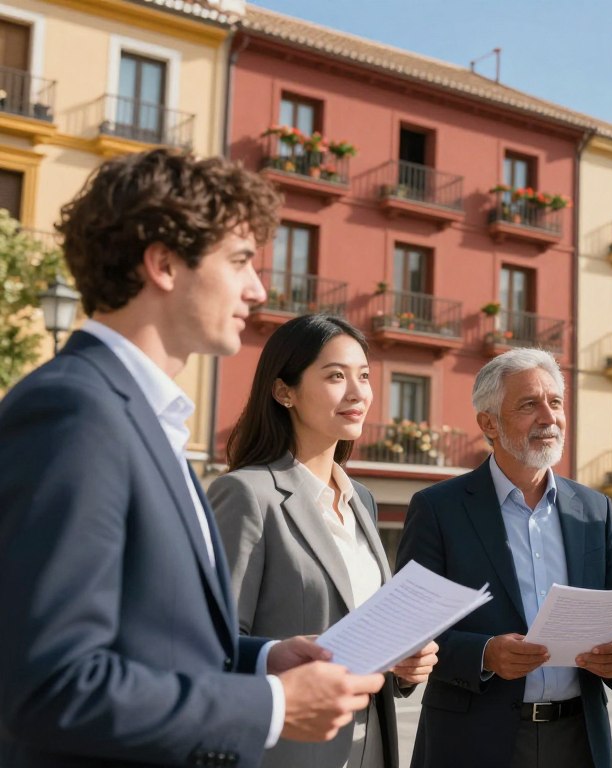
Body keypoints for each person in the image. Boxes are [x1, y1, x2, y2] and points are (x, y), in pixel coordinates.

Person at [0, 149, 384, 767]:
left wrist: (260, 658)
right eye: (238, 262)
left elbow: (156, 646)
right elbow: (49, 685)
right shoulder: (73, 413)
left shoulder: (143, 421)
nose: (257, 289)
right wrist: (272, 706)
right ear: (164, 264)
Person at [208, 314, 439, 768]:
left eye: (365, 376)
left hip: (370, 748)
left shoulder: (362, 501)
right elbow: (212, 642)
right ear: (284, 391)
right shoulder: (246, 494)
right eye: (336, 376)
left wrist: (404, 664)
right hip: (285, 754)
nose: (358, 393)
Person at [395, 348, 612, 768]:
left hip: (578, 740)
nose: (549, 417)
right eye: (530, 404)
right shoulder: (439, 508)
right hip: (473, 742)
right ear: (488, 423)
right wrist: (485, 654)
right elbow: (407, 631)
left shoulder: (594, 509)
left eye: (556, 402)